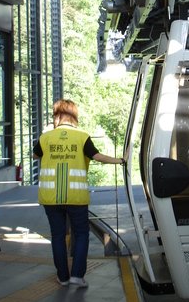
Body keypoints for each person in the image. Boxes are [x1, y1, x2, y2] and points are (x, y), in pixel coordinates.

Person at [33, 98, 125, 288]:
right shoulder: (82, 137)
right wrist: (120, 161)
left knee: (57, 236)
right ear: (74, 116)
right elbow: (97, 156)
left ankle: (63, 277)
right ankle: (77, 275)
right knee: (81, 233)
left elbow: (35, 155)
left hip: (50, 197)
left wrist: (46, 134)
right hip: (76, 196)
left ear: (56, 115)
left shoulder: (46, 137)